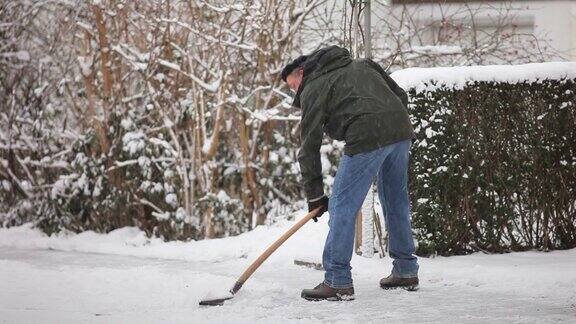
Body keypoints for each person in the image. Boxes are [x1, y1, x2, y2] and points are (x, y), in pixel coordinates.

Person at [281, 45, 419, 301]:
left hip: (367, 135)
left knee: (342, 206)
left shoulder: (313, 86)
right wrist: (391, 124)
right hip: (400, 131)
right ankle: (406, 270)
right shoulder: (363, 64)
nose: (295, 92)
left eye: (292, 85)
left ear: (302, 72)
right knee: (395, 201)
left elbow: (308, 146)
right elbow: (400, 96)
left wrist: (315, 197)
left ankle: (337, 280)